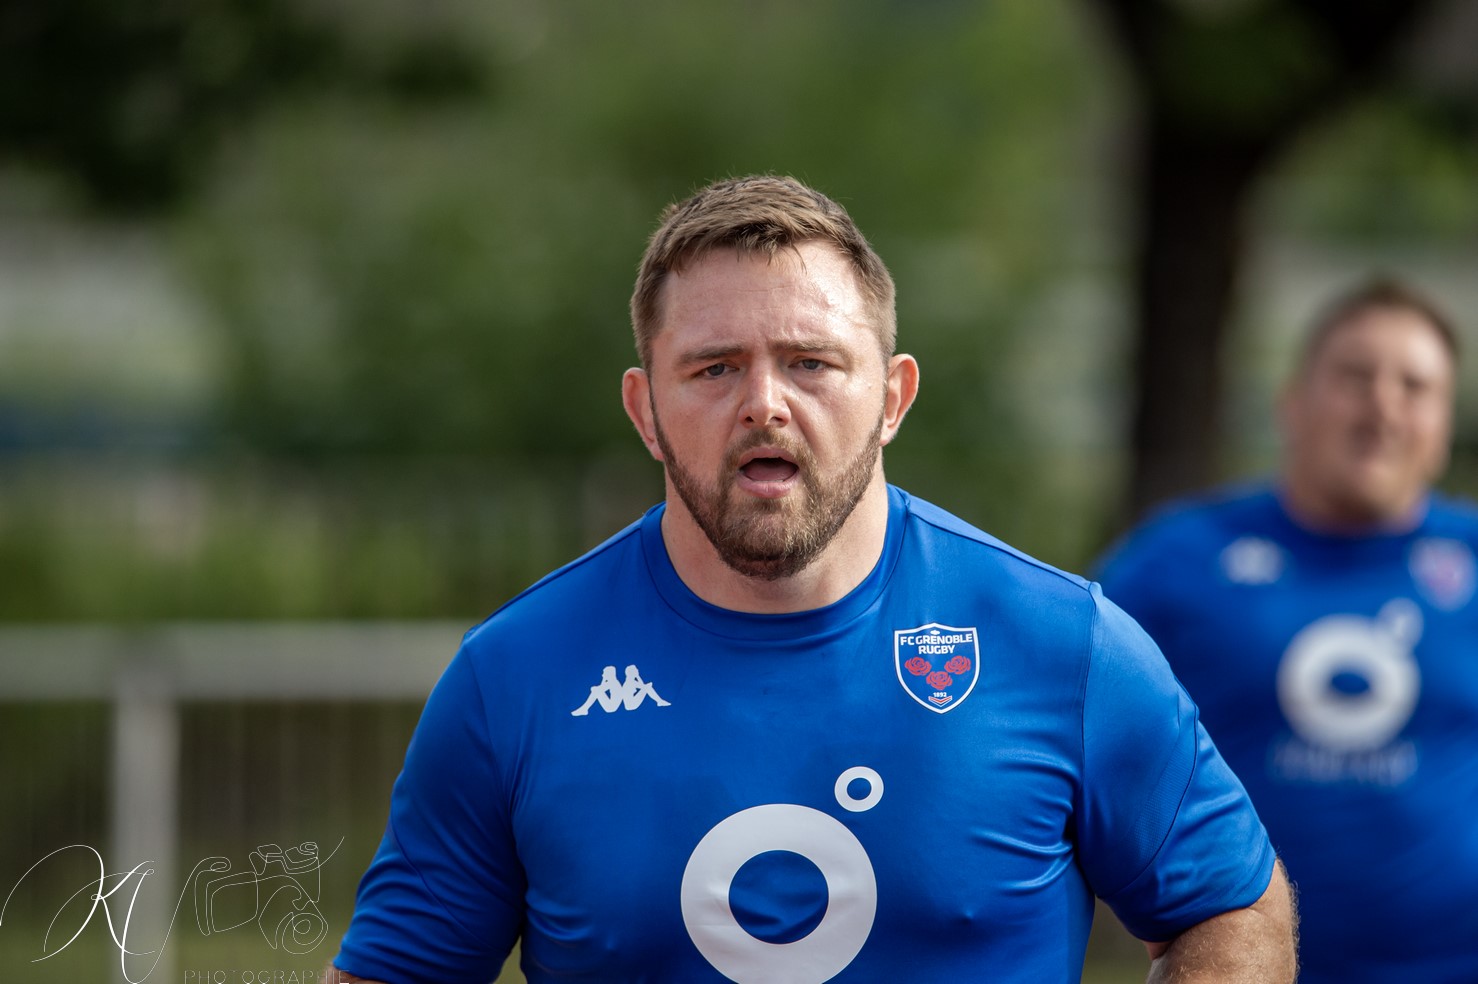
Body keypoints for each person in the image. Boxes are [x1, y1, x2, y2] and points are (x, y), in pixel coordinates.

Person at [331, 174, 1295, 983]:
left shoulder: (1061, 643)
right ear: (646, 410)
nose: (765, 404)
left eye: (812, 363)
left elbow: (1230, 907)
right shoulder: (515, 679)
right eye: (713, 369)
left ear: (893, 396)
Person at [1097, 277, 1478, 983]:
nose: (1383, 407)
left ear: (1444, 423)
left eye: (1416, 387)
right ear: (1292, 402)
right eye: (1356, 378)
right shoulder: (1180, 561)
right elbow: (1067, 727)